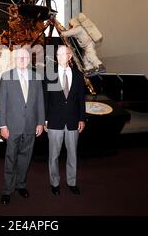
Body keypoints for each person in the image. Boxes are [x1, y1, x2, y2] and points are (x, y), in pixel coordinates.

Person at [0, 47, 45, 205]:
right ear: (14, 60)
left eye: (25, 57)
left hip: (31, 126)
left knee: (26, 157)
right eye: (19, 58)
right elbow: (2, 104)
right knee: (11, 157)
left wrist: (40, 122)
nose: (23, 60)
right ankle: (7, 189)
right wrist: (2, 126)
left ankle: (21, 185)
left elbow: (40, 102)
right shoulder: (6, 77)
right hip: (12, 127)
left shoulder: (36, 77)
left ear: (30, 59)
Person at [44, 45, 86, 196]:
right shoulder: (50, 74)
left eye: (64, 54)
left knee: (72, 154)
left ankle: (72, 182)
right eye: (58, 54)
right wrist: (45, 120)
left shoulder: (78, 75)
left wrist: (82, 118)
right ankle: (54, 183)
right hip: (54, 121)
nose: (61, 57)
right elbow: (45, 99)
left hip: (73, 121)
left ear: (70, 56)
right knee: (53, 155)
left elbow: (81, 99)